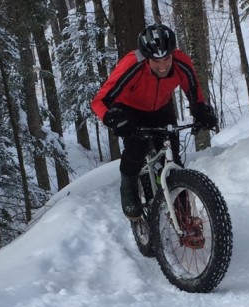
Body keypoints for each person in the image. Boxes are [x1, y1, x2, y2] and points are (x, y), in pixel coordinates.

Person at [91, 23, 219, 220]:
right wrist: (112, 118)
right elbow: (100, 101)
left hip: (161, 109)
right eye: (155, 61)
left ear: (173, 53)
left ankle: (184, 218)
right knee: (137, 145)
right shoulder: (132, 64)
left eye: (167, 58)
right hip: (130, 109)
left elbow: (194, 93)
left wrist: (201, 111)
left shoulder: (182, 63)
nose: (162, 66)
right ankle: (129, 184)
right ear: (146, 58)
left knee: (172, 158)